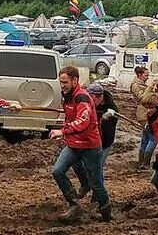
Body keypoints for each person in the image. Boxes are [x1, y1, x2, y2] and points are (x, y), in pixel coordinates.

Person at [49, 67, 112, 222]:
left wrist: (62, 132)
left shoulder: (82, 98)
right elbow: (71, 118)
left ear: (75, 81)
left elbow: (82, 121)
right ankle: (74, 205)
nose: (62, 85)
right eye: (60, 82)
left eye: (65, 82)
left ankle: (106, 212)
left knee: (96, 183)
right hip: (73, 145)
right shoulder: (68, 97)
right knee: (57, 171)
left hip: (90, 146)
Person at [130, 65, 158, 169]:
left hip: (148, 115)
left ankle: (141, 161)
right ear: (139, 75)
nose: (148, 77)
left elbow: (156, 98)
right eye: (146, 75)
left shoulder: (143, 85)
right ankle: (145, 163)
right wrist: (151, 86)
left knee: (146, 138)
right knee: (154, 138)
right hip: (144, 115)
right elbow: (144, 98)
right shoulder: (135, 85)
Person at [87, 82, 118, 168]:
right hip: (91, 140)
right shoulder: (89, 104)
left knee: (98, 166)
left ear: (100, 96)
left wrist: (106, 118)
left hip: (105, 141)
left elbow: (113, 123)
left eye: (92, 98)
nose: (90, 101)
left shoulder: (111, 106)